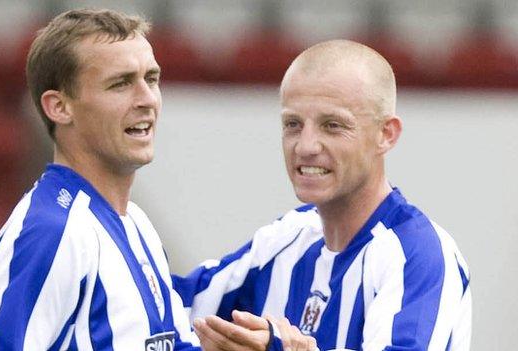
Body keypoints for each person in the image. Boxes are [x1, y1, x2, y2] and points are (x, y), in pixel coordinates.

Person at [0, 8, 315, 351]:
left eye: (151, 79)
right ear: (59, 107)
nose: (147, 99)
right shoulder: (52, 230)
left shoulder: (135, 223)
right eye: (120, 84)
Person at [175, 40, 472, 351]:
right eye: (293, 124)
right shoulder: (287, 237)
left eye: (332, 126)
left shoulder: (418, 255)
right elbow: (169, 308)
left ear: (386, 134)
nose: (305, 146)